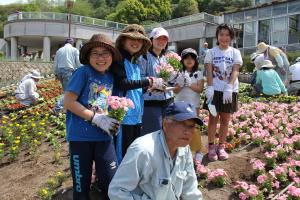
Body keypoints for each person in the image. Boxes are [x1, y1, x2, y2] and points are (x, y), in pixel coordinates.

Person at [64, 34, 122, 200]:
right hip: (80, 138)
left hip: (104, 137)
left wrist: (115, 117)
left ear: (112, 56)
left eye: (105, 53)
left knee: (110, 182)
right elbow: (68, 102)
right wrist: (95, 118)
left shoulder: (110, 77)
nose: (100, 58)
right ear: (88, 56)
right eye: (95, 53)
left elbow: (113, 104)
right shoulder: (82, 72)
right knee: (81, 186)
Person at [108, 101, 203, 200]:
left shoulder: (184, 148)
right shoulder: (143, 150)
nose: (187, 131)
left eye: (191, 126)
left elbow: (190, 189)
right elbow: (116, 191)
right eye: (182, 124)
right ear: (165, 124)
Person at [111, 24, 164, 158]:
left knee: (131, 152)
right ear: (123, 40)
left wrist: (149, 88)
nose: (136, 42)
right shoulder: (119, 59)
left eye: (139, 40)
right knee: (122, 153)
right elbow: (122, 84)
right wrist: (149, 81)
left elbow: (134, 87)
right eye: (131, 39)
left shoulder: (133, 61)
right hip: (123, 116)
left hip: (135, 115)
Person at [204, 24, 243, 162]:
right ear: (217, 36)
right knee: (213, 119)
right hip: (214, 92)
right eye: (221, 34)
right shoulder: (211, 52)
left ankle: (221, 146)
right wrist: (209, 87)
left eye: (227, 35)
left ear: (231, 37)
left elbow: (236, 70)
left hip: (229, 92)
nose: (224, 37)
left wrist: (230, 86)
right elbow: (209, 71)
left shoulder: (235, 52)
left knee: (225, 120)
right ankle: (211, 146)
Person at [139, 27, 173, 135]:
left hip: (168, 100)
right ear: (151, 40)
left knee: (168, 132)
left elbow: (170, 79)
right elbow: (139, 78)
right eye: (158, 38)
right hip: (151, 102)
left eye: (164, 39)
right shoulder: (144, 57)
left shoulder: (167, 57)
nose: (161, 42)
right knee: (153, 133)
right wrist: (153, 82)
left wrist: (177, 78)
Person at [174, 48, 204, 162]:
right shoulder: (178, 73)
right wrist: (181, 83)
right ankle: (182, 151)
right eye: (186, 57)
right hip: (179, 105)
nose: (189, 60)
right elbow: (175, 91)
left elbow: (200, 89)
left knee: (194, 128)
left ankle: (198, 150)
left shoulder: (198, 73)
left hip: (193, 106)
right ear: (182, 60)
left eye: (192, 57)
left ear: (196, 60)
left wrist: (189, 83)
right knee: (180, 128)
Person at [53, 38, 81, 112]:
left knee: (66, 90)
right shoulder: (74, 50)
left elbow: (55, 63)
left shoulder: (59, 50)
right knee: (68, 91)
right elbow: (78, 62)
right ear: (72, 43)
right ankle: (57, 108)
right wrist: (82, 69)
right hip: (68, 71)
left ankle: (65, 107)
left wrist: (55, 73)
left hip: (59, 71)